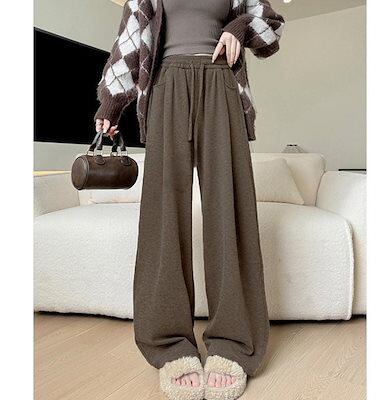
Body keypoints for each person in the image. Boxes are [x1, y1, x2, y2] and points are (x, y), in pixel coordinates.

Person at [94, 1, 284, 399]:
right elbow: (130, 39)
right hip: (167, 87)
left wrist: (239, 26)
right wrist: (111, 103)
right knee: (163, 217)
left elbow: (271, 31)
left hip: (221, 83)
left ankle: (233, 343)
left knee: (229, 212)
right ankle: (170, 346)